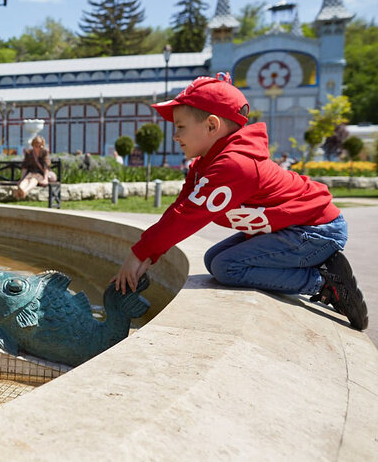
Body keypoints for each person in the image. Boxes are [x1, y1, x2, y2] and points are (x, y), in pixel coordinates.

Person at [111, 73, 368, 331]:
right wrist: (149, 254)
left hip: (315, 230)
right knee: (213, 258)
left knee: (227, 267)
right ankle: (315, 266)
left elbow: (185, 218)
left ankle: (323, 282)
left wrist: (137, 253)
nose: (175, 136)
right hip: (295, 228)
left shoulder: (234, 165)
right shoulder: (205, 164)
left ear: (211, 126)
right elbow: (179, 209)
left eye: (180, 126)